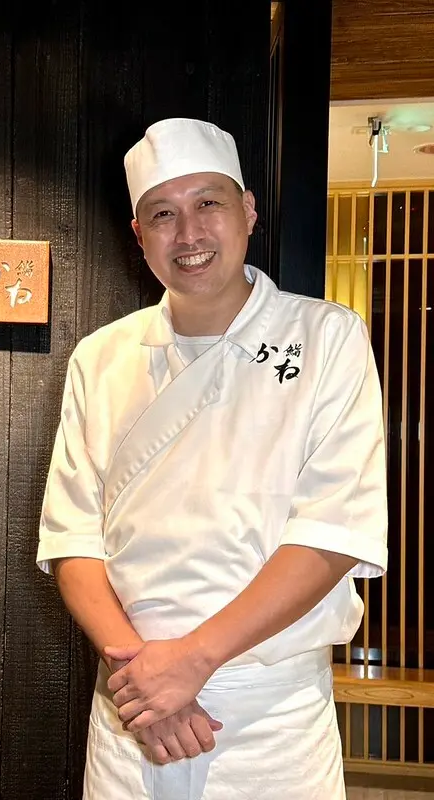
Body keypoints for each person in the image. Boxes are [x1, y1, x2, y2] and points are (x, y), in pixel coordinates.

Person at [36, 117, 388, 800]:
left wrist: (192, 662)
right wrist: (145, 678)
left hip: (267, 718)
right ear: (139, 234)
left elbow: (335, 531)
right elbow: (72, 537)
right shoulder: (100, 357)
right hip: (133, 709)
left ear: (248, 211)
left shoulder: (326, 338)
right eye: (162, 214)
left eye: (208, 203)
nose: (189, 233)